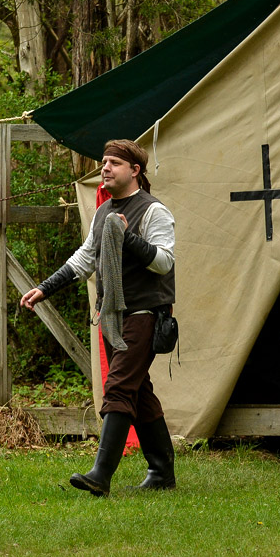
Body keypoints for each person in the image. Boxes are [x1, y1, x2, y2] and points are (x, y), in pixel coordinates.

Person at [20, 139, 176, 497]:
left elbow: (165, 262)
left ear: (134, 171)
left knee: (119, 387)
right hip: (111, 316)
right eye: (103, 162)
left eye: (113, 163)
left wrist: (128, 237)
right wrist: (44, 288)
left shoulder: (154, 211)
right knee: (139, 393)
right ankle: (162, 472)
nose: (104, 168)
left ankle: (99, 476)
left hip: (144, 315)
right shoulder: (105, 213)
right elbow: (85, 259)